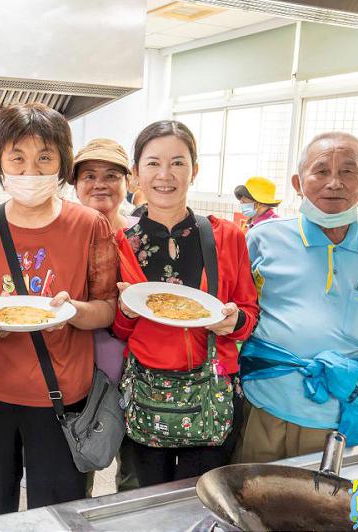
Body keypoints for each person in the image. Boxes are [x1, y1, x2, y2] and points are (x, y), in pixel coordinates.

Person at [0, 102, 119, 518]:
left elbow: (107, 307)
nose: (31, 170)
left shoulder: (89, 224)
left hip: (62, 395)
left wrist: (72, 311)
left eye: (45, 157)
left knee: (59, 514)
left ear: (62, 162)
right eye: (17, 157)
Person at [234, 132, 358, 463]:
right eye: (321, 171)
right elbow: (238, 311)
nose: (334, 183)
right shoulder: (263, 238)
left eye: (348, 172)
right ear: (298, 182)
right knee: (255, 504)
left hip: (335, 417)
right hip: (266, 405)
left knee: (322, 510)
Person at [114, 120, 259, 488]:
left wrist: (234, 321)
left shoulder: (226, 236)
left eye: (178, 163)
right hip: (146, 394)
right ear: (135, 173)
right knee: (143, 507)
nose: (165, 175)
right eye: (152, 163)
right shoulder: (120, 242)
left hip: (209, 394)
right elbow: (117, 329)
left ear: (194, 170)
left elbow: (249, 311)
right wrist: (125, 313)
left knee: (204, 503)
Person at [71, 137, 138, 495]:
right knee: (78, 465)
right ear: (75, 185)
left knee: (135, 478)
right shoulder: (63, 235)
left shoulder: (141, 236)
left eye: (112, 175)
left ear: (129, 183)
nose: (100, 184)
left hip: (137, 375)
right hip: (80, 376)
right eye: (89, 175)